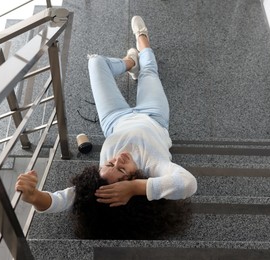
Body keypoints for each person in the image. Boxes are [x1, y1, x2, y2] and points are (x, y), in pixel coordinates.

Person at [15, 16, 197, 239]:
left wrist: (33, 196)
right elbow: (188, 184)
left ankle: (130, 62)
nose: (119, 159)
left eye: (110, 163)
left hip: (115, 120)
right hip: (154, 116)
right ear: (135, 179)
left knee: (96, 63)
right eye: (123, 170)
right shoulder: (154, 167)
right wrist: (136, 188)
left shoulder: (99, 182)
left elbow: (59, 200)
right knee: (149, 73)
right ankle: (142, 38)